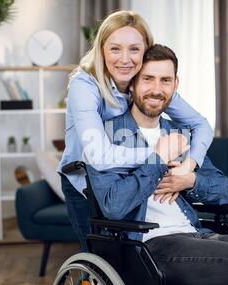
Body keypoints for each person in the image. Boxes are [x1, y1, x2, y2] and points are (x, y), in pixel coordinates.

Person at [86, 44, 228, 285]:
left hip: (197, 235)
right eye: (148, 79)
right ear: (132, 83)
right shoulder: (107, 136)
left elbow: (224, 191)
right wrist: (158, 161)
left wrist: (190, 180)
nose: (156, 89)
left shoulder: (181, 133)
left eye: (165, 80)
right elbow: (113, 206)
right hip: (150, 246)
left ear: (175, 85)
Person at [57, 11, 213, 252]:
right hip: (85, 180)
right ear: (101, 50)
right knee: (101, 260)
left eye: (134, 49)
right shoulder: (85, 85)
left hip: (128, 177)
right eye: (115, 49)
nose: (125, 59)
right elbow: (98, 155)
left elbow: (201, 125)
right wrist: (159, 155)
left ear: (146, 51)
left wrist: (190, 163)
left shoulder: (145, 85)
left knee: (125, 262)